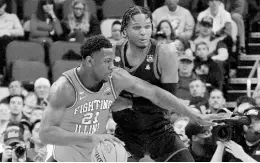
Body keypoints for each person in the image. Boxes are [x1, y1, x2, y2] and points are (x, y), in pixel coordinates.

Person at [40, 35, 223, 162]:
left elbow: (156, 94)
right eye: (106, 62)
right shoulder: (64, 88)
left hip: (97, 153)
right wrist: (90, 138)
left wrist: (194, 115)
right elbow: (46, 133)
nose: (112, 66)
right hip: (64, 154)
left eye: (113, 60)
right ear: (89, 62)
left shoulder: (116, 77)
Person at [111, 5, 220, 162]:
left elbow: (166, 101)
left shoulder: (164, 53)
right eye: (136, 27)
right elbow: (104, 99)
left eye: (147, 27)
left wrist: (130, 102)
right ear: (124, 31)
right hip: (125, 134)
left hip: (160, 132)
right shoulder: (111, 54)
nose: (143, 32)